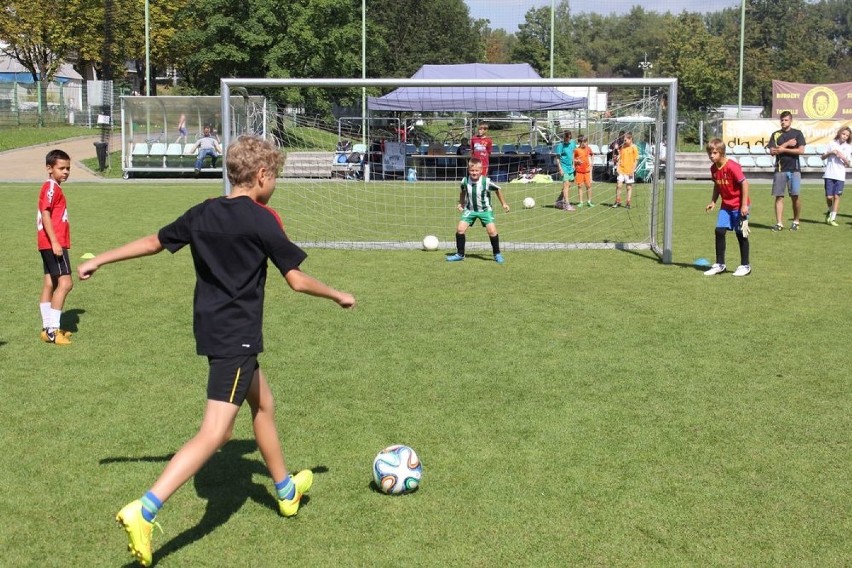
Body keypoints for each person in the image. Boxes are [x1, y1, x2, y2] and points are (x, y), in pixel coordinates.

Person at [77, 136, 356, 567]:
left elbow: (155, 241)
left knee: (263, 404)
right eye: (275, 177)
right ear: (262, 176)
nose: (274, 185)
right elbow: (297, 280)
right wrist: (338, 294)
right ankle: (145, 510)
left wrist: (101, 259)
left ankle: (285, 491)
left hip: (213, 331)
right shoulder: (263, 219)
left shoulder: (204, 211)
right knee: (217, 432)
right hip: (236, 338)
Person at [37, 149, 74, 345]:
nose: (66, 171)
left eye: (68, 168)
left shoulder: (54, 187)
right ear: (49, 169)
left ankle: (46, 329)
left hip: (48, 243)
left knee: (50, 284)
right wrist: (55, 242)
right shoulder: (51, 187)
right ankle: (53, 330)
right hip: (53, 243)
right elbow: (45, 213)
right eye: (61, 168)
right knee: (66, 283)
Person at [446, 157, 510, 264]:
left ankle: (497, 254)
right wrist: (461, 203)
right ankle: (460, 254)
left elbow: (498, 190)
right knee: (460, 229)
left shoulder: (486, 181)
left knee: (492, 231)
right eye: (472, 170)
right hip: (470, 210)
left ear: (481, 170)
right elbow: (462, 191)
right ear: (468, 170)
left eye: (476, 171)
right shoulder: (465, 181)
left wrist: (504, 204)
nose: (474, 173)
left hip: (485, 210)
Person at [703, 138, 752, 277]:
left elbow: (745, 184)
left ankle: (745, 265)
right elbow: (717, 185)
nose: (711, 156)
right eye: (710, 153)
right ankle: (720, 264)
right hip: (726, 206)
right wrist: (713, 201)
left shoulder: (732, 166)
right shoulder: (713, 168)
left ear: (722, 153)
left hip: (739, 206)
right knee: (719, 231)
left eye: (714, 153)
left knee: (741, 234)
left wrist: (744, 205)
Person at [767, 110, 806, 231]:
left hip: (794, 169)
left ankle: (796, 221)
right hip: (780, 169)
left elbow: (801, 150)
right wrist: (787, 144)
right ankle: (779, 223)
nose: (783, 122)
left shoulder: (798, 133)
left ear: (791, 121)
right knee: (779, 196)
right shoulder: (775, 134)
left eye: (786, 120)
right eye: (782, 120)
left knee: (795, 196)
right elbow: (773, 152)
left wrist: (782, 149)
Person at [821, 125, 852, 226]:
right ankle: (830, 211)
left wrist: (843, 157)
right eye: (843, 134)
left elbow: (848, 164)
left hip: (840, 175)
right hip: (829, 174)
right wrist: (831, 153)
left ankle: (833, 218)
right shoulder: (831, 143)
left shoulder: (848, 147)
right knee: (829, 197)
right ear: (839, 133)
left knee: (836, 197)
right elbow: (822, 157)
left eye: (847, 135)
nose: (844, 136)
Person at [612, 132, 638, 208]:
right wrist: (617, 166)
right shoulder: (622, 146)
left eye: (625, 140)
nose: (624, 141)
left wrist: (632, 171)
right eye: (624, 140)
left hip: (629, 171)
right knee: (619, 185)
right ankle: (617, 201)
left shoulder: (634, 147)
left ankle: (628, 202)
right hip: (621, 170)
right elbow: (619, 157)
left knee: (628, 187)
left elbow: (636, 160)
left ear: (630, 139)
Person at [554, 131, 577, 211]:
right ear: (564, 137)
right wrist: (560, 168)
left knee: (568, 185)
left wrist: (573, 164)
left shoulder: (573, 143)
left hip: (570, 167)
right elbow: (557, 158)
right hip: (564, 167)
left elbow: (573, 154)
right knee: (566, 185)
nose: (568, 140)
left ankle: (559, 201)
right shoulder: (560, 146)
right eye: (567, 138)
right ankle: (567, 205)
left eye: (570, 138)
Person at [573, 135, 594, 207]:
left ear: (587, 142)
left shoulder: (588, 149)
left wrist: (592, 163)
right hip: (579, 171)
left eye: (585, 142)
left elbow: (592, 155)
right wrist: (577, 161)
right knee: (580, 186)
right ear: (579, 142)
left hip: (587, 171)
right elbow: (573, 159)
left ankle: (589, 201)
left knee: (588, 186)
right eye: (581, 142)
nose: (583, 143)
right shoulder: (577, 150)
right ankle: (581, 202)